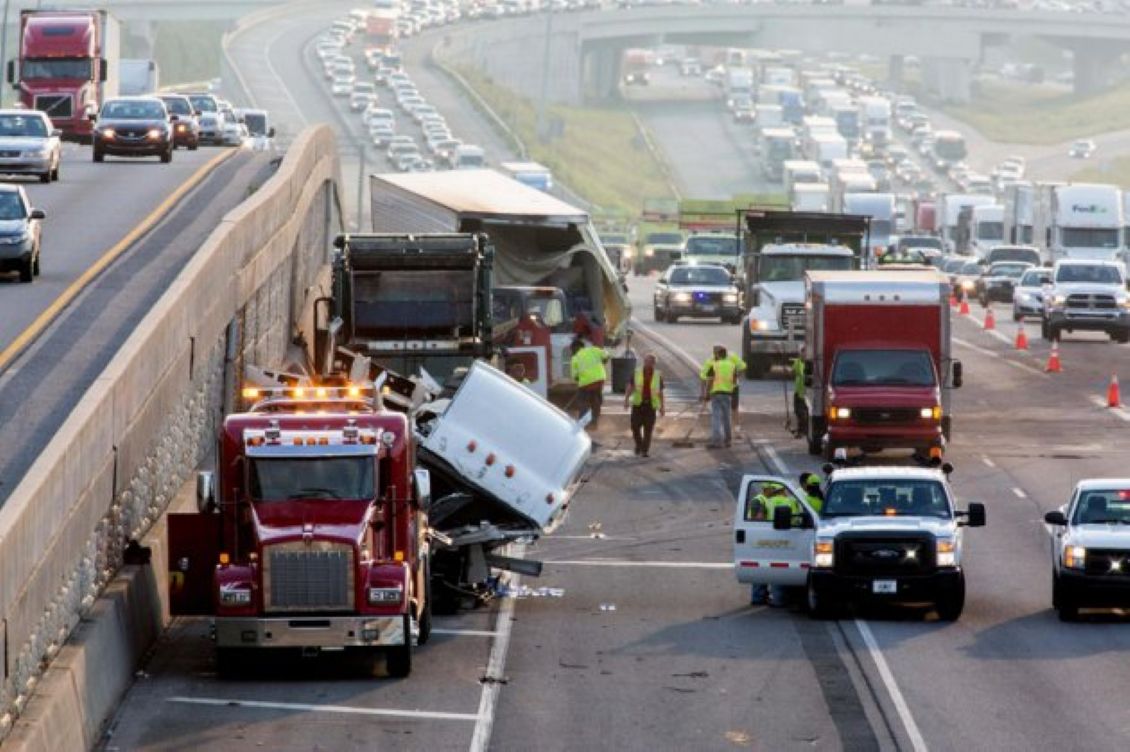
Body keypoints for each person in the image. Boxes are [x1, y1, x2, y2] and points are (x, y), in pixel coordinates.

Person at [750, 485, 801, 607]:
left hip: (765, 538)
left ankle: (757, 597)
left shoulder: (766, 501)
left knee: (760, 567)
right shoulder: (791, 502)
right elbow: (797, 521)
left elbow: (759, 519)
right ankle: (778, 599)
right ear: (783, 491)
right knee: (779, 569)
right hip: (786, 539)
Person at [623, 353, 665, 457]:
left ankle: (644, 450)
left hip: (650, 405)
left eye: (650, 362)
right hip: (638, 404)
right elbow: (630, 387)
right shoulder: (636, 372)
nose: (647, 364)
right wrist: (626, 400)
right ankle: (639, 445)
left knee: (648, 429)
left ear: (654, 364)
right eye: (646, 361)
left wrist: (662, 407)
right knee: (635, 427)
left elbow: (660, 392)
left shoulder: (657, 375)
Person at [700, 344, 737, 448]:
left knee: (716, 417)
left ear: (718, 355)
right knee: (727, 417)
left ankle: (716, 441)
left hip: (716, 394)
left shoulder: (715, 365)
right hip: (728, 394)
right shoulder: (732, 366)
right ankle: (728, 440)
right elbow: (734, 381)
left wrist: (706, 394)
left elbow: (710, 381)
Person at [570, 336, 608, 429]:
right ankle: (594, 423)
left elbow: (575, 376)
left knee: (583, 403)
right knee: (596, 401)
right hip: (599, 381)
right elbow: (606, 355)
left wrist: (581, 381)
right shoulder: (594, 350)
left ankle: (584, 425)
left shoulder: (575, 358)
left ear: (575, 349)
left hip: (586, 384)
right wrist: (603, 361)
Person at [728, 352, 746, 432]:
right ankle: (736, 427)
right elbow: (743, 367)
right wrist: (738, 376)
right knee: (734, 407)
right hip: (734, 386)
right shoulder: (732, 356)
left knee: (722, 408)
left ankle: (729, 427)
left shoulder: (714, 358)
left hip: (721, 388)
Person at [790, 357, 808, 433]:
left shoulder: (808, 363)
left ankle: (803, 429)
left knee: (802, 411)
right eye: (801, 352)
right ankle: (801, 428)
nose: (803, 354)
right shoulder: (797, 361)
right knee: (797, 411)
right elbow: (793, 372)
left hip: (804, 392)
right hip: (798, 390)